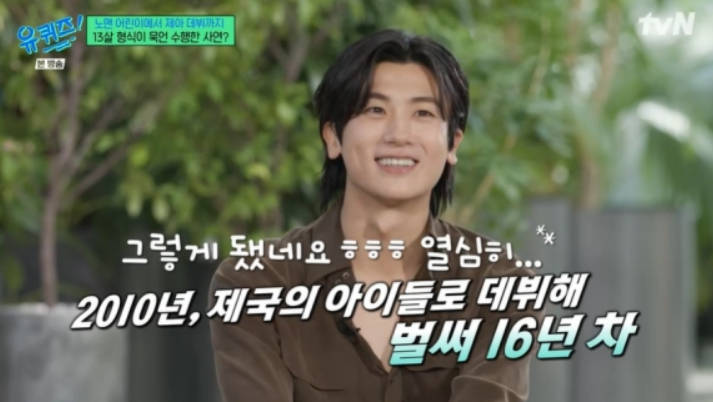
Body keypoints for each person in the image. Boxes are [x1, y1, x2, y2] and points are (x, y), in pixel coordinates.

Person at [208, 29, 543, 402]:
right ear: (333, 137)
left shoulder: (499, 285)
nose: (399, 134)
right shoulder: (256, 284)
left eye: (423, 113)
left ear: (453, 143)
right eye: (375, 110)